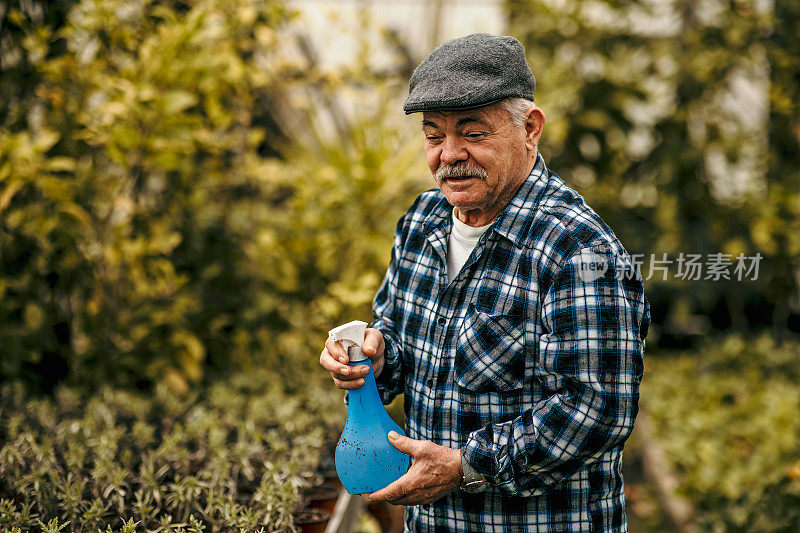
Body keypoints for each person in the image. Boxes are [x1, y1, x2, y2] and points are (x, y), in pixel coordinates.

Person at [319, 33, 649, 532]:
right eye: (434, 136)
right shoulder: (422, 221)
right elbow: (399, 338)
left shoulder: (580, 251)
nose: (449, 155)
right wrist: (373, 357)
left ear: (530, 129)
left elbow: (596, 410)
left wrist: (465, 467)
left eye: (473, 133)